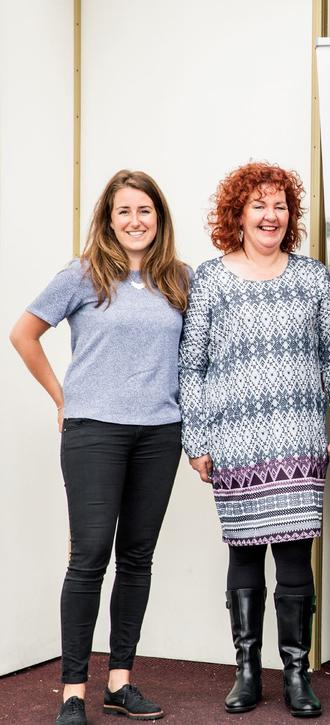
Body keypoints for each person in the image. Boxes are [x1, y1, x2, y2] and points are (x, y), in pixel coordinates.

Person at [179, 162, 330, 718]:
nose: (270, 215)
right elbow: (192, 368)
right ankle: (248, 673)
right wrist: (197, 439)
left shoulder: (312, 278)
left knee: (294, 559)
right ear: (238, 214)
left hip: (300, 441)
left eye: (279, 205)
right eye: (258, 205)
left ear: (291, 215)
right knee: (244, 556)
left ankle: (297, 675)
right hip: (234, 443)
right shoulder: (209, 279)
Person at [10, 170, 189, 725]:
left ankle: (120, 683)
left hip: (160, 433)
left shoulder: (180, 279)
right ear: (108, 220)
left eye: (145, 211)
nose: (135, 222)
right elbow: (23, 333)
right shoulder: (82, 275)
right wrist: (62, 398)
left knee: (137, 558)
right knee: (88, 559)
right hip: (94, 433)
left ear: (159, 218)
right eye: (124, 212)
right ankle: (72, 692)